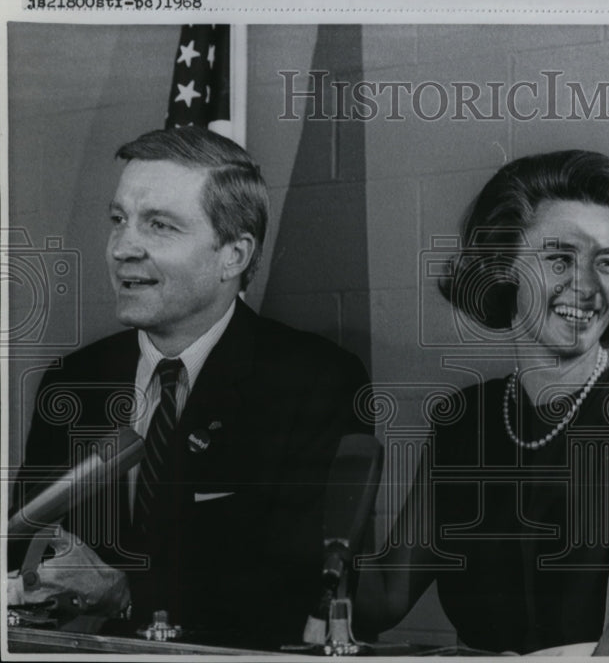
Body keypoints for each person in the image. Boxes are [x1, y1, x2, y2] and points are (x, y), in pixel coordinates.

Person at [11, 126, 371, 646]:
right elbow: (22, 545)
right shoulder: (72, 382)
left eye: (158, 226)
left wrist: (123, 591)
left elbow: (303, 588)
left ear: (234, 255)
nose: (122, 248)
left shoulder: (316, 383)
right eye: (119, 220)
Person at [355, 150, 609, 655]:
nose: (584, 286)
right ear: (504, 267)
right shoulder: (467, 421)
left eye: (605, 261)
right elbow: (386, 593)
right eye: (559, 258)